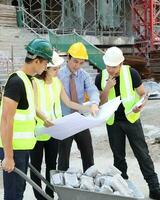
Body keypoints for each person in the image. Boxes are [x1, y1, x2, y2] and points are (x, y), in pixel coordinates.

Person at [95, 46, 160, 200]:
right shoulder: (101, 77)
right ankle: (121, 188)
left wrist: (140, 106)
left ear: (121, 63)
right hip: (113, 122)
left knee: (142, 155)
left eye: (114, 67)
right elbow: (101, 103)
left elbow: (144, 94)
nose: (111, 70)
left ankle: (154, 188)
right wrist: (107, 87)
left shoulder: (131, 73)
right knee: (118, 158)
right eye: (108, 66)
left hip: (131, 120)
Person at [30, 50, 93, 199]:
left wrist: (87, 108)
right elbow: (33, 106)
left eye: (58, 68)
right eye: (55, 69)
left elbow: (69, 102)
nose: (58, 71)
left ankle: (50, 194)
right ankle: (40, 197)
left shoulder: (57, 83)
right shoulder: (35, 82)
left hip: (54, 130)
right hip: (38, 130)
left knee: (52, 166)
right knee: (36, 166)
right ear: (46, 68)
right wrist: (44, 118)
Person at [0, 38, 53, 200]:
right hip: (13, 149)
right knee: (13, 194)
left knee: (19, 191)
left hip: (22, 148)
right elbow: (6, 120)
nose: (46, 68)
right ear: (36, 61)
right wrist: (8, 156)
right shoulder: (16, 82)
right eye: (45, 63)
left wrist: (44, 118)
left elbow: (29, 108)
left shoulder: (28, 81)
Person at [58, 42, 100, 172]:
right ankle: (63, 185)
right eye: (75, 62)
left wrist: (94, 103)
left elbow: (92, 90)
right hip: (64, 119)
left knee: (87, 150)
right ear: (68, 58)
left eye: (81, 63)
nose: (77, 66)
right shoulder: (58, 75)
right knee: (63, 155)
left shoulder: (84, 75)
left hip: (80, 118)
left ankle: (90, 179)